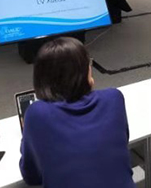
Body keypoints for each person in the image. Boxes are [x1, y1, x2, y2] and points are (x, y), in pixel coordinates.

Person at [19, 37, 135, 188]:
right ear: (86, 70)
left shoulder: (37, 113)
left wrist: (27, 136)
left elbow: (32, 176)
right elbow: (120, 143)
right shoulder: (114, 98)